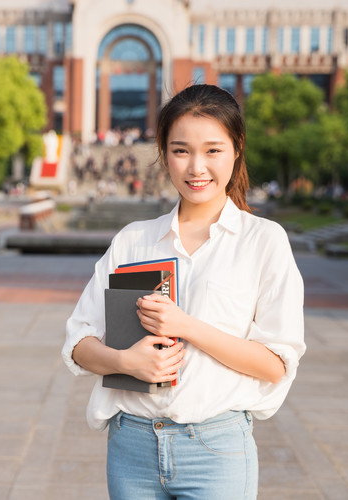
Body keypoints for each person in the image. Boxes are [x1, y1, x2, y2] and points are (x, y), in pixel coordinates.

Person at [62, 84, 305, 499]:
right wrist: (125, 361)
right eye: (180, 150)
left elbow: (275, 365)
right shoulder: (134, 240)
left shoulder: (263, 241)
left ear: (236, 149)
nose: (196, 167)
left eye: (212, 150)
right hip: (131, 447)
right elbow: (78, 342)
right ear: (163, 152)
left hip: (216, 450)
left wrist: (185, 326)